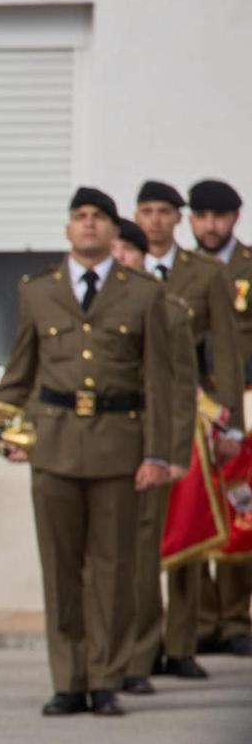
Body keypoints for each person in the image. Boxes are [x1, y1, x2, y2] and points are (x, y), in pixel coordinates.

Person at [0, 187, 172, 717]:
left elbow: (160, 383)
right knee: (60, 572)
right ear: (67, 230)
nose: (88, 226)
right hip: (53, 449)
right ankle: (68, 680)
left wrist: (157, 454)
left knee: (112, 569)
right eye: (79, 217)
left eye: (98, 218)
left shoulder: (142, 293)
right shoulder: (38, 292)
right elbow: (21, 375)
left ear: (112, 229)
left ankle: (105, 679)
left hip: (118, 448)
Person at [128, 189, 234, 688]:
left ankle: (182, 643)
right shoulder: (123, 268)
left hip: (192, 415)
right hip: (138, 416)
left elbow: (228, 349)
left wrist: (230, 423)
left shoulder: (205, 273)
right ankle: (144, 646)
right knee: (145, 537)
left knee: (188, 532)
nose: (154, 222)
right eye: (146, 212)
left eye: (164, 213)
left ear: (180, 220)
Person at [188, 178, 252, 656]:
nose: (211, 226)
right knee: (193, 508)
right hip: (191, 406)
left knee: (240, 508)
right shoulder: (178, 271)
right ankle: (200, 620)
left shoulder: (249, 267)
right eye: (203, 216)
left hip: (242, 403)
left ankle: (233, 620)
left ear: (235, 218)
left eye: (220, 216)